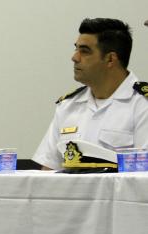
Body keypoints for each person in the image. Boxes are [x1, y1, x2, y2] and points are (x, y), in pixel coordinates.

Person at [33, 18, 148, 170]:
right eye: (76, 49)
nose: (74, 57)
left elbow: (143, 174)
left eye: (84, 51)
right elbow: (49, 170)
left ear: (110, 59)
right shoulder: (68, 105)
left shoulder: (142, 105)